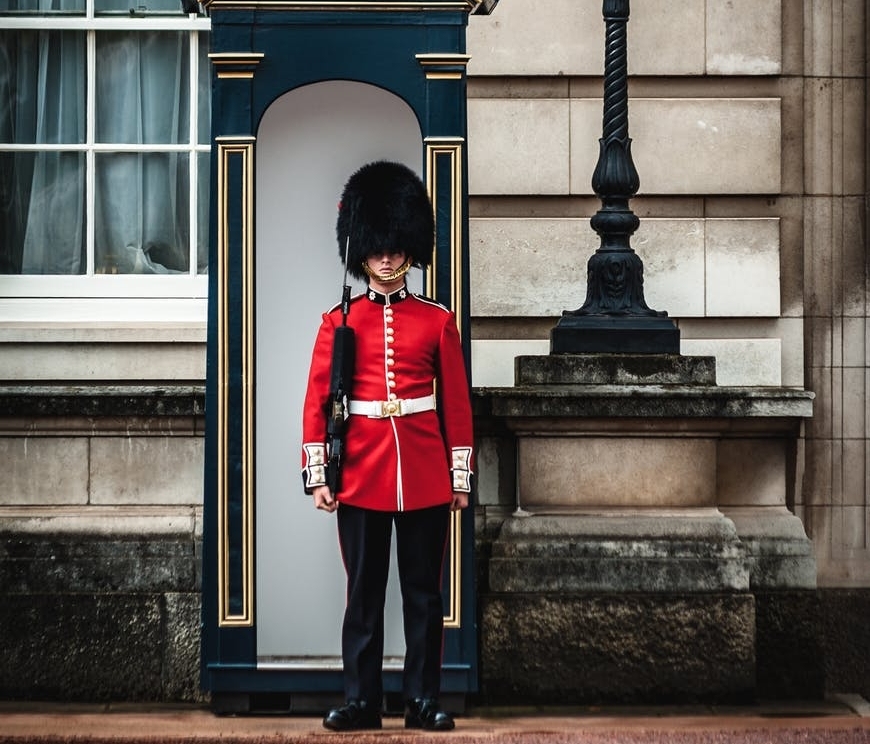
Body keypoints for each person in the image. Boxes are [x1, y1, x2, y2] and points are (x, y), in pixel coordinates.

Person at [301, 160, 474, 732]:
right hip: (361, 471)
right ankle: (362, 700)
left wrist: (459, 476)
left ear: (408, 245)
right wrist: (319, 474)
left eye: (396, 246)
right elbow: (318, 403)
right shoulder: (337, 323)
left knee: (424, 597)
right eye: (377, 246)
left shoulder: (436, 321)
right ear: (362, 247)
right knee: (364, 596)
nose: (387, 257)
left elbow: (455, 406)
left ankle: (422, 699)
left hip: (423, 470)